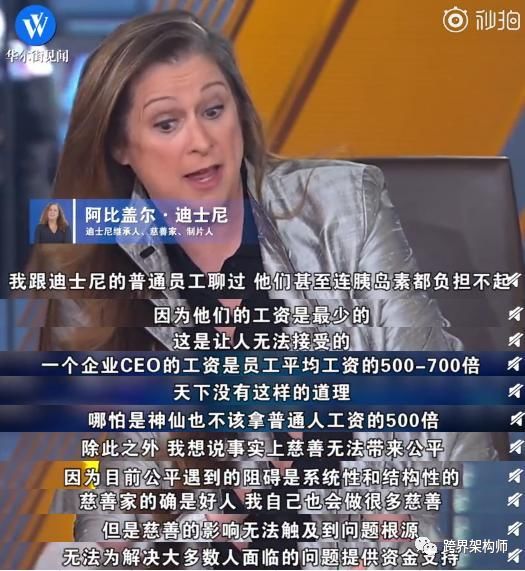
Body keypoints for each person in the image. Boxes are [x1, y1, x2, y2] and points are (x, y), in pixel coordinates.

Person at [35, 9, 498, 570]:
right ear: (120, 147)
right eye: (167, 123)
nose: (202, 141)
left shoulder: (340, 205)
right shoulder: (111, 271)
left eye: (213, 110)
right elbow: (119, 502)